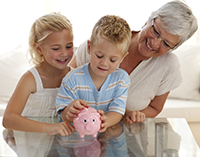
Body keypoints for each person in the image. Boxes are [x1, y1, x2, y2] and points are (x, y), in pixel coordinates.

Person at [68, 0, 198, 123]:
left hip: (125, 136)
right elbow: (63, 83)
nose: (155, 43)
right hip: (81, 127)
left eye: (166, 44)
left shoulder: (169, 66)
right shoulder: (103, 42)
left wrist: (133, 114)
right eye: (156, 31)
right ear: (149, 19)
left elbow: (155, 108)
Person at [3, 13, 75, 136]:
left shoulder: (74, 76)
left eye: (69, 46)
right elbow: (8, 119)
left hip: (63, 146)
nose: (64, 53)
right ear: (39, 49)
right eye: (56, 48)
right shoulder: (31, 79)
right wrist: (50, 128)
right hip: (33, 145)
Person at [56, 15, 131, 133]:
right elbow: (63, 114)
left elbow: (117, 111)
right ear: (89, 47)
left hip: (108, 139)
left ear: (122, 58)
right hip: (78, 140)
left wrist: (105, 120)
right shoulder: (72, 79)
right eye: (99, 56)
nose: (104, 63)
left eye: (113, 60)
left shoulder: (121, 79)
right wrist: (70, 110)